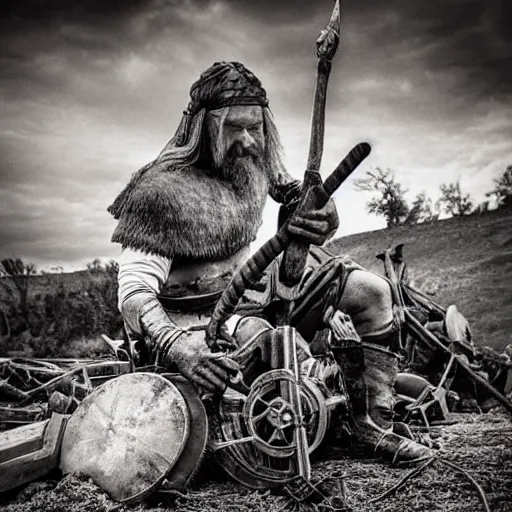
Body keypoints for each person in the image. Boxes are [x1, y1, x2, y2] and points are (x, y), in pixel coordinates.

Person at [108, 61, 431, 462]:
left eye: (255, 127)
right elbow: (133, 294)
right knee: (270, 340)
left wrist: (322, 211)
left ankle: (371, 427)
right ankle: (310, 415)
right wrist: (179, 346)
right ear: (205, 127)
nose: (247, 140)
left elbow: (292, 190)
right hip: (191, 330)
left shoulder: (252, 165)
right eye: (233, 128)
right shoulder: (160, 193)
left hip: (253, 299)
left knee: (372, 291)